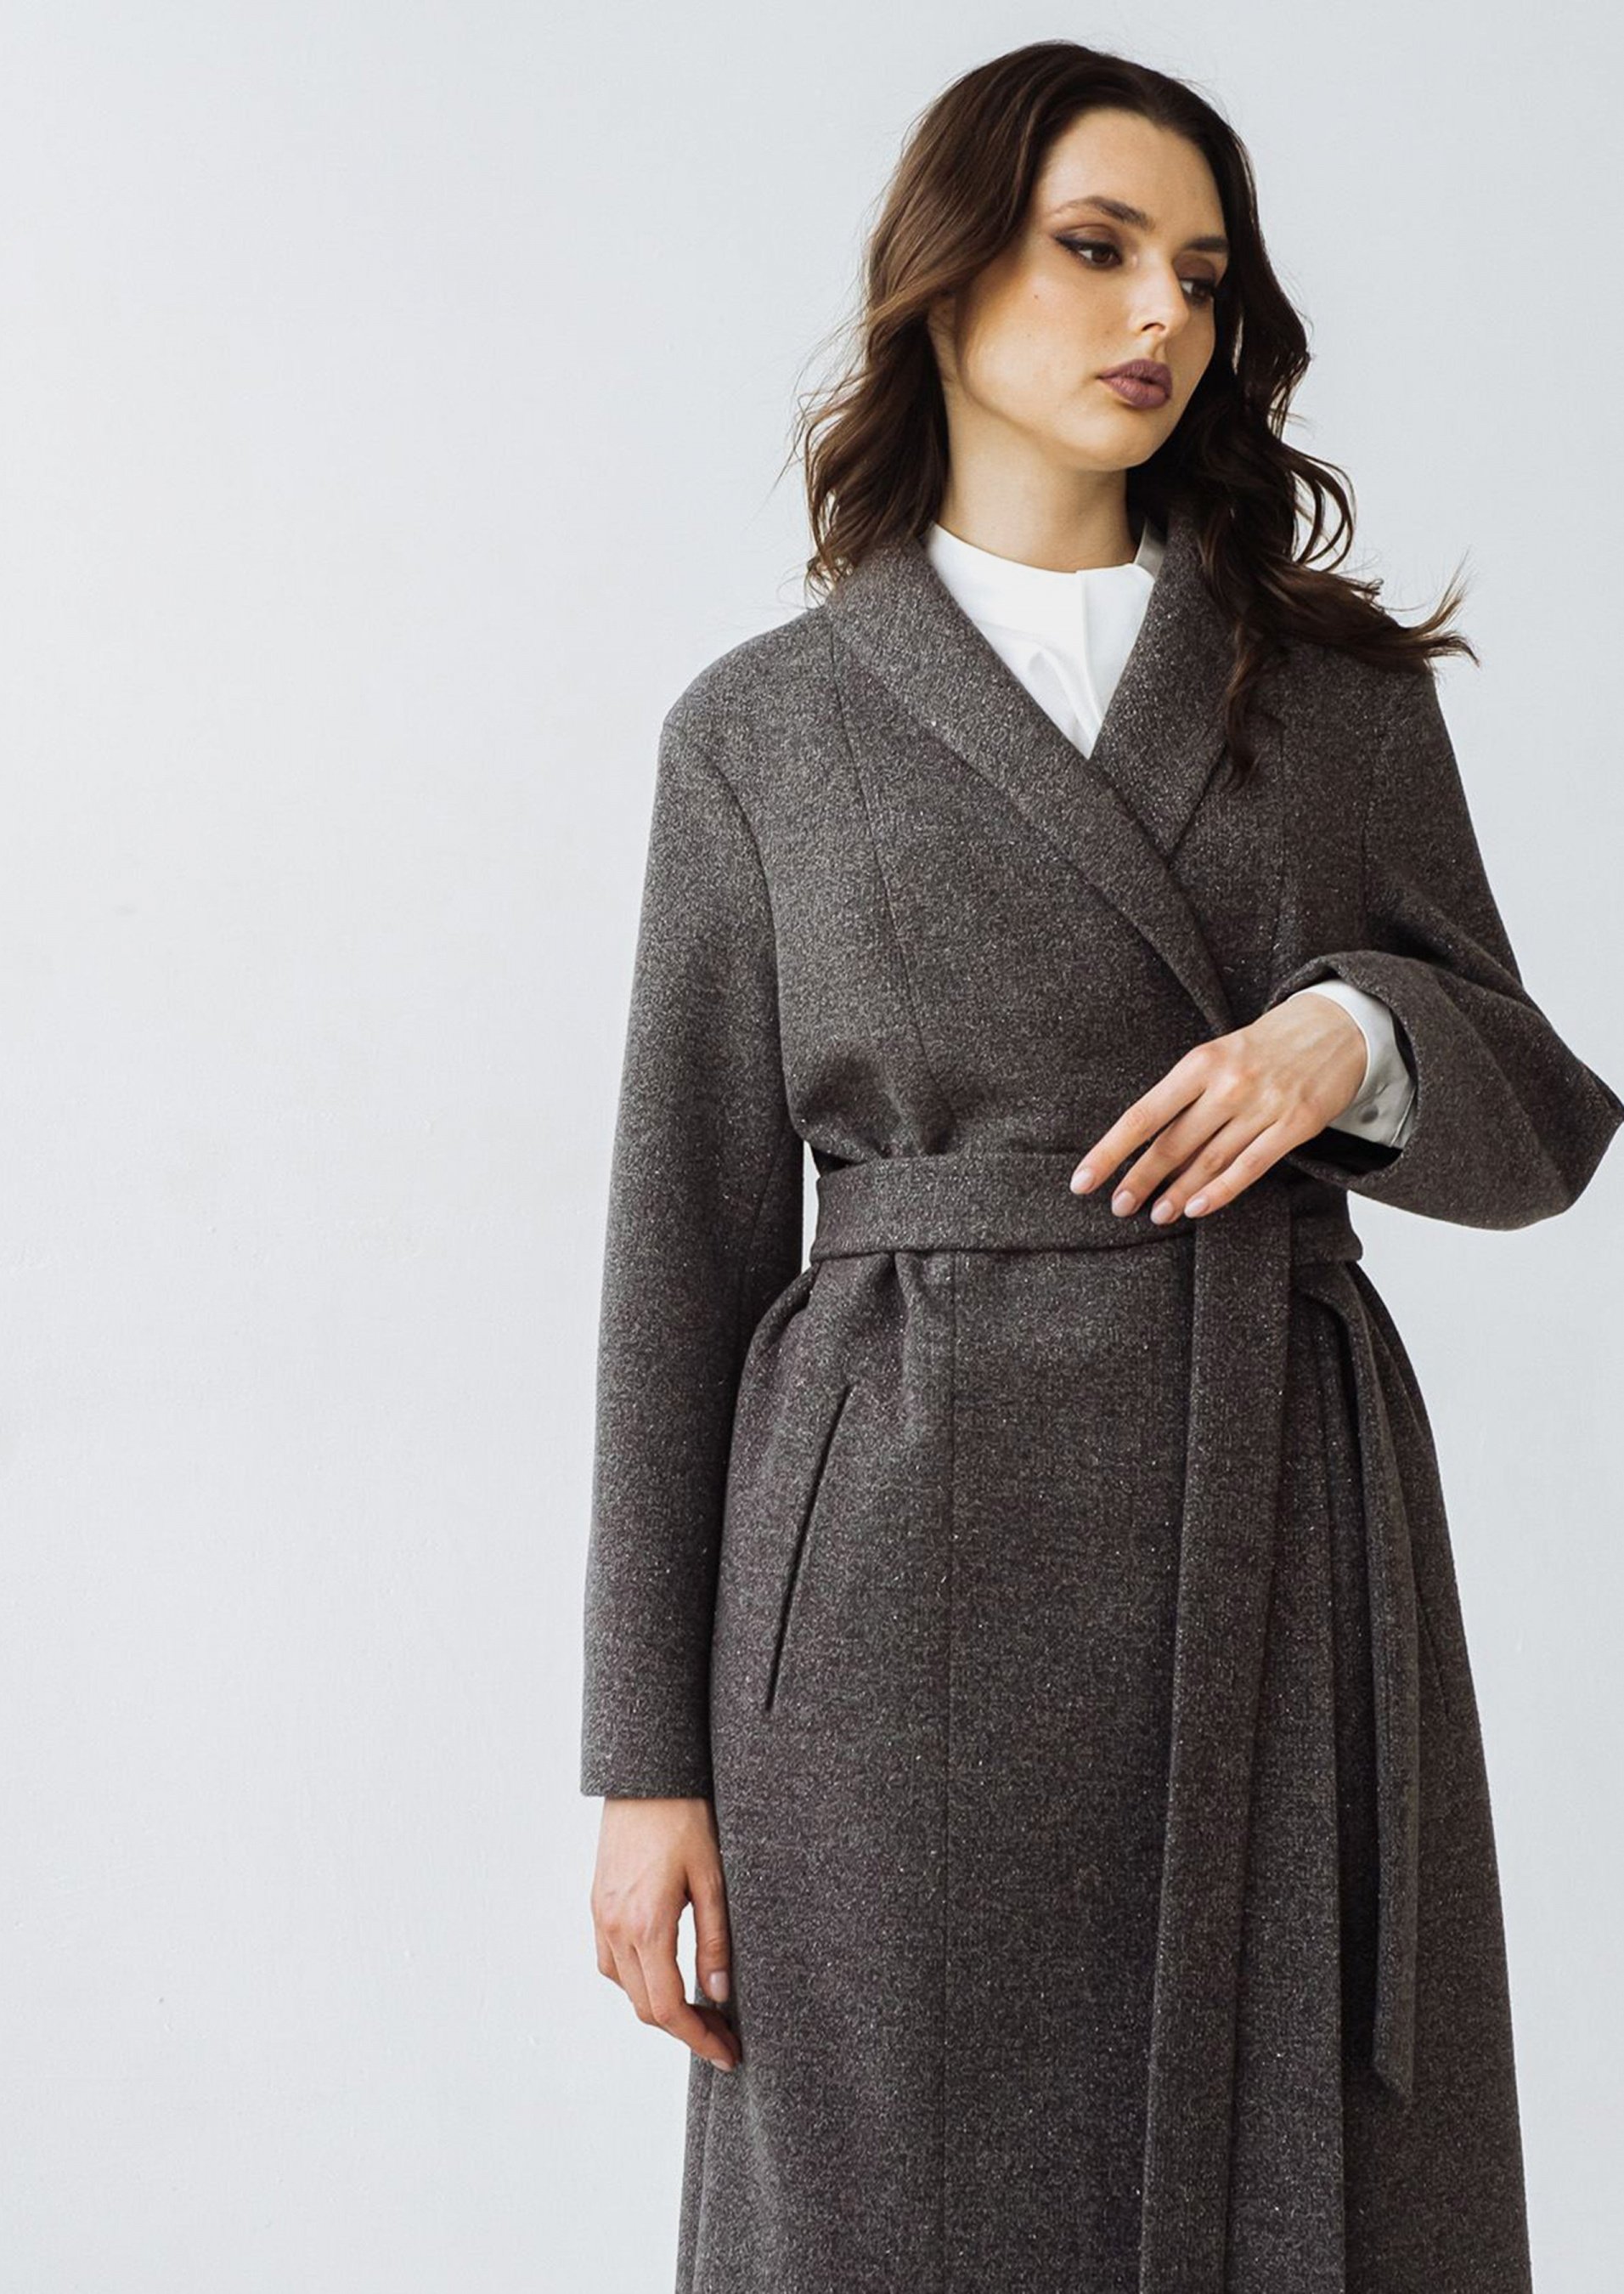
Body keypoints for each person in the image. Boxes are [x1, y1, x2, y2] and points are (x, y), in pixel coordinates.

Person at [578, 40, 1623, 2292]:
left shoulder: (1333, 698)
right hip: (886, 1588)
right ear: (946, 276)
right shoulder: (760, 732)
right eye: (1094, 247)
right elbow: (681, 1255)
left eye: (1203, 275)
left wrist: (1354, 1037)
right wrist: (644, 1767)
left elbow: (1541, 1118)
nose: (1160, 312)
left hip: (1276, 1525)